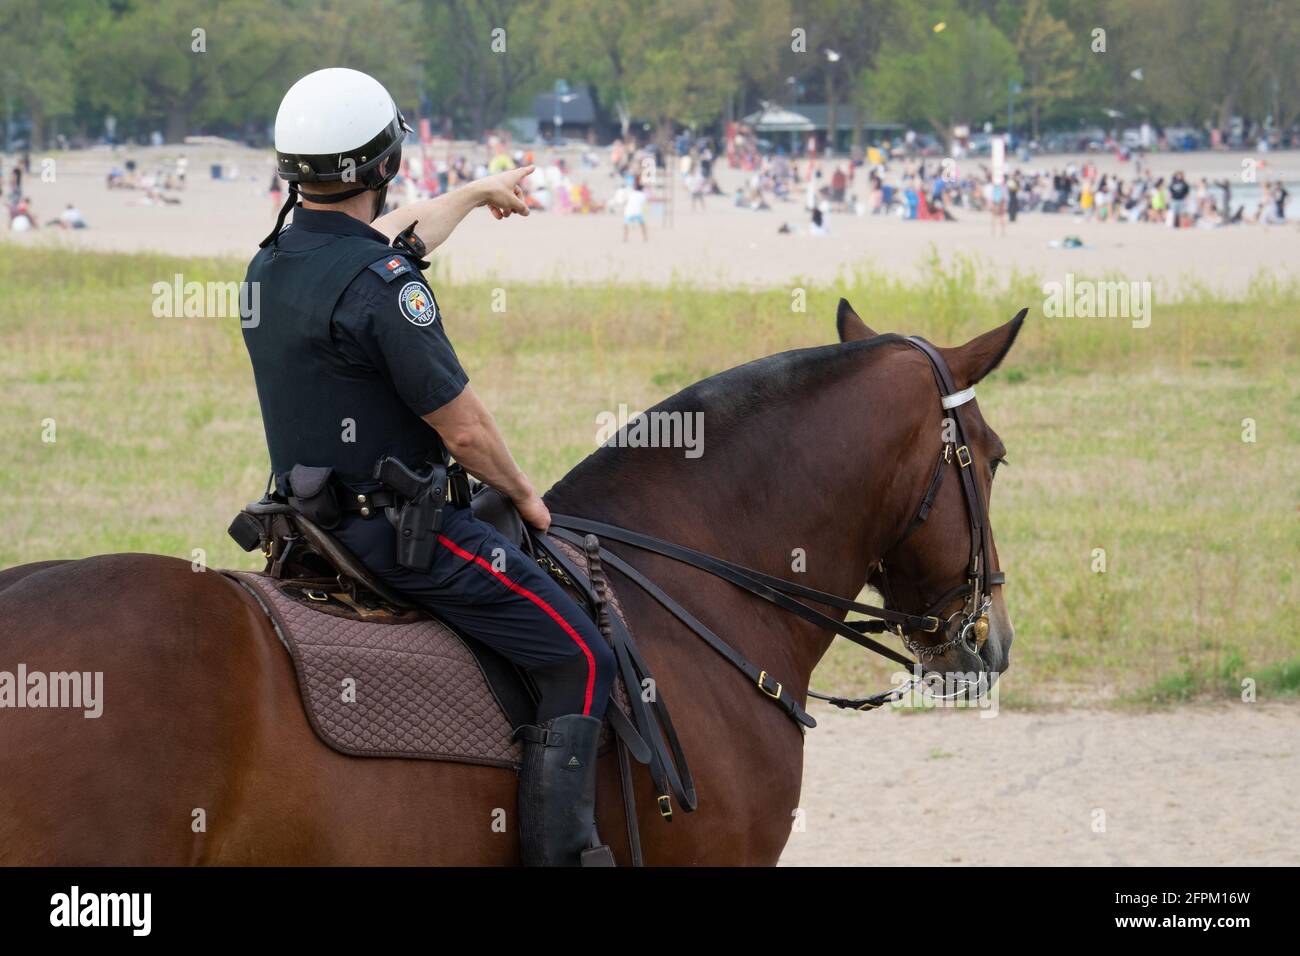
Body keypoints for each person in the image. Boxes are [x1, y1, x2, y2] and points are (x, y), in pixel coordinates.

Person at [242, 68, 616, 867]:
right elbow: (468, 433)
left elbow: (391, 233)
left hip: (309, 526)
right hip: (401, 539)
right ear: (384, 165)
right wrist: (525, 495)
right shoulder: (386, 290)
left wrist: (479, 193)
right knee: (582, 655)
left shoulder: (271, 265)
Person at [623, 175, 648, 241]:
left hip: (629, 211)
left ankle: (625, 237)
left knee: (626, 224)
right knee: (642, 224)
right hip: (638, 211)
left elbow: (626, 201)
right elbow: (644, 204)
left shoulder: (631, 193)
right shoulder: (643, 195)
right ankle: (645, 237)